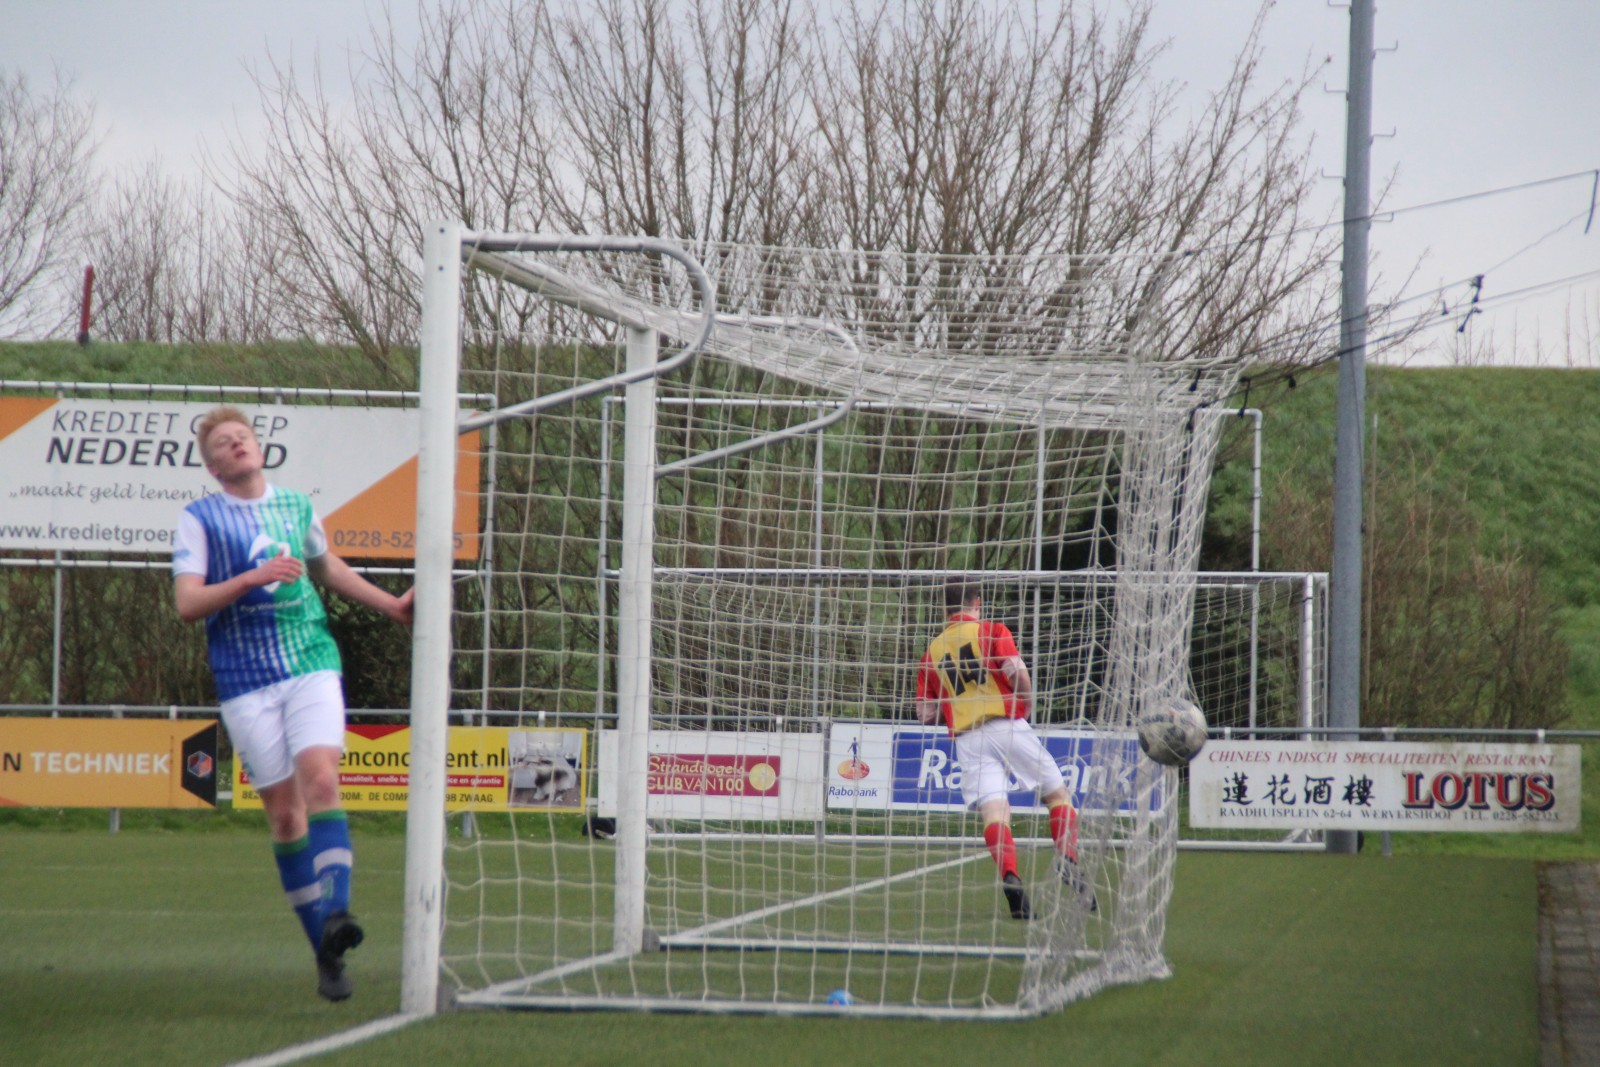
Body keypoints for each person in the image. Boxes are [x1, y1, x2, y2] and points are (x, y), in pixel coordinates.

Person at [172, 405, 414, 1001]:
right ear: (213, 466)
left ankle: (339, 913)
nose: (237, 445)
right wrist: (250, 580)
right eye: (225, 443)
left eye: (243, 437)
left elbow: (324, 566)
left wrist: (389, 606)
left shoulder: (296, 505)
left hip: (310, 662)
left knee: (323, 780)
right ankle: (326, 955)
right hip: (246, 680)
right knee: (284, 818)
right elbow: (188, 604)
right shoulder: (200, 520)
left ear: (260, 449)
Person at [914, 580, 1094, 920]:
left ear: (945, 610)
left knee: (995, 812)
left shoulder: (932, 652)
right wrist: (1025, 698)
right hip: (1006, 723)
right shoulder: (992, 630)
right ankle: (1068, 860)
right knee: (1057, 794)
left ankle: (1011, 877)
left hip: (968, 740)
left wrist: (953, 705)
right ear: (976, 602)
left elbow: (924, 713)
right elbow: (1016, 671)